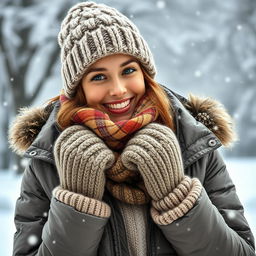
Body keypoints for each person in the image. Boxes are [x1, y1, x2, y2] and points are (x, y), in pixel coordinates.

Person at [9, 2, 255, 256]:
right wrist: (79, 201)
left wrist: (176, 196)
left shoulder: (194, 144)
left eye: (128, 70)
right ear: (79, 88)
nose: (118, 89)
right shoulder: (47, 161)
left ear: (145, 74)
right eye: (99, 77)